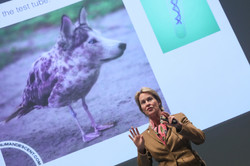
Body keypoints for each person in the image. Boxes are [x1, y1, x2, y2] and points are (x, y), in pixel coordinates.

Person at [128, 87, 206, 166]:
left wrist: (179, 126)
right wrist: (141, 149)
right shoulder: (144, 137)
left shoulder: (178, 118)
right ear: (142, 109)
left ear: (158, 101)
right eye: (143, 102)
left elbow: (200, 139)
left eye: (149, 99)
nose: (147, 103)